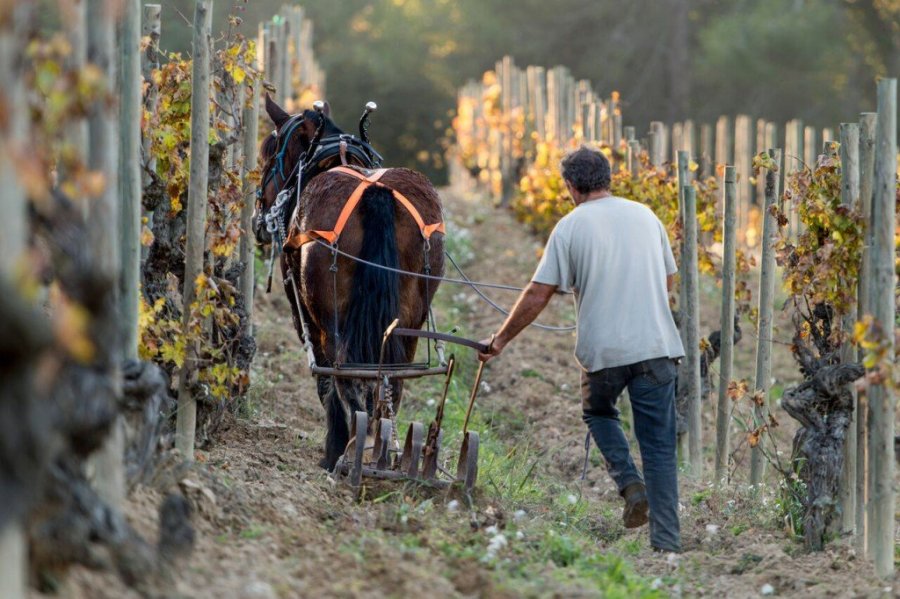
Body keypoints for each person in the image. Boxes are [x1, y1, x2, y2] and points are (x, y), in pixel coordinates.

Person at [478, 146, 684, 553]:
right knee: (659, 447)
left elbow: (538, 293)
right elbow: (668, 282)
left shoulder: (570, 227)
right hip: (656, 347)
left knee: (598, 411)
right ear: (609, 179)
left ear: (570, 186)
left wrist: (499, 340)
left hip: (603, 354)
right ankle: (667, 544)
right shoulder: (646, 216)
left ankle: (628, 483)